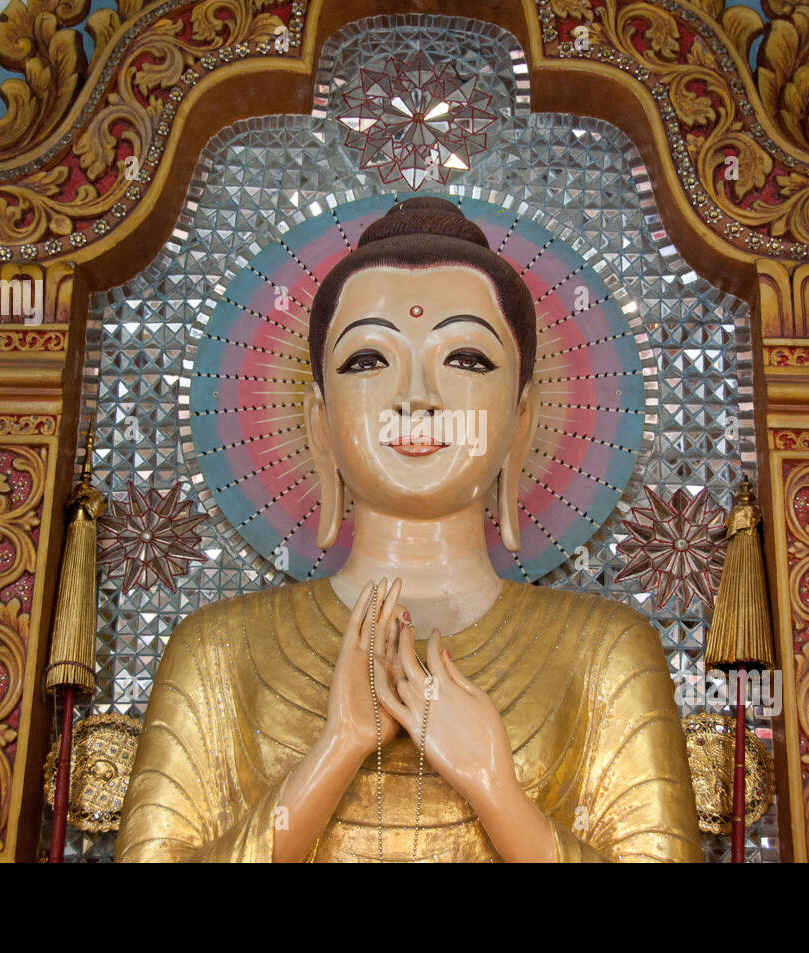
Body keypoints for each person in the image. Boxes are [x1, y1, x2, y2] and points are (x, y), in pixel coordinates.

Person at [116, 197, 702, 862]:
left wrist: (496, 790)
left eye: (467, 360)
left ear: (523, 418)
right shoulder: (216, 652)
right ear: (319, 420)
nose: (417, 396)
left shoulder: (606, 652)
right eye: (368, 359)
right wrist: (335, 751)